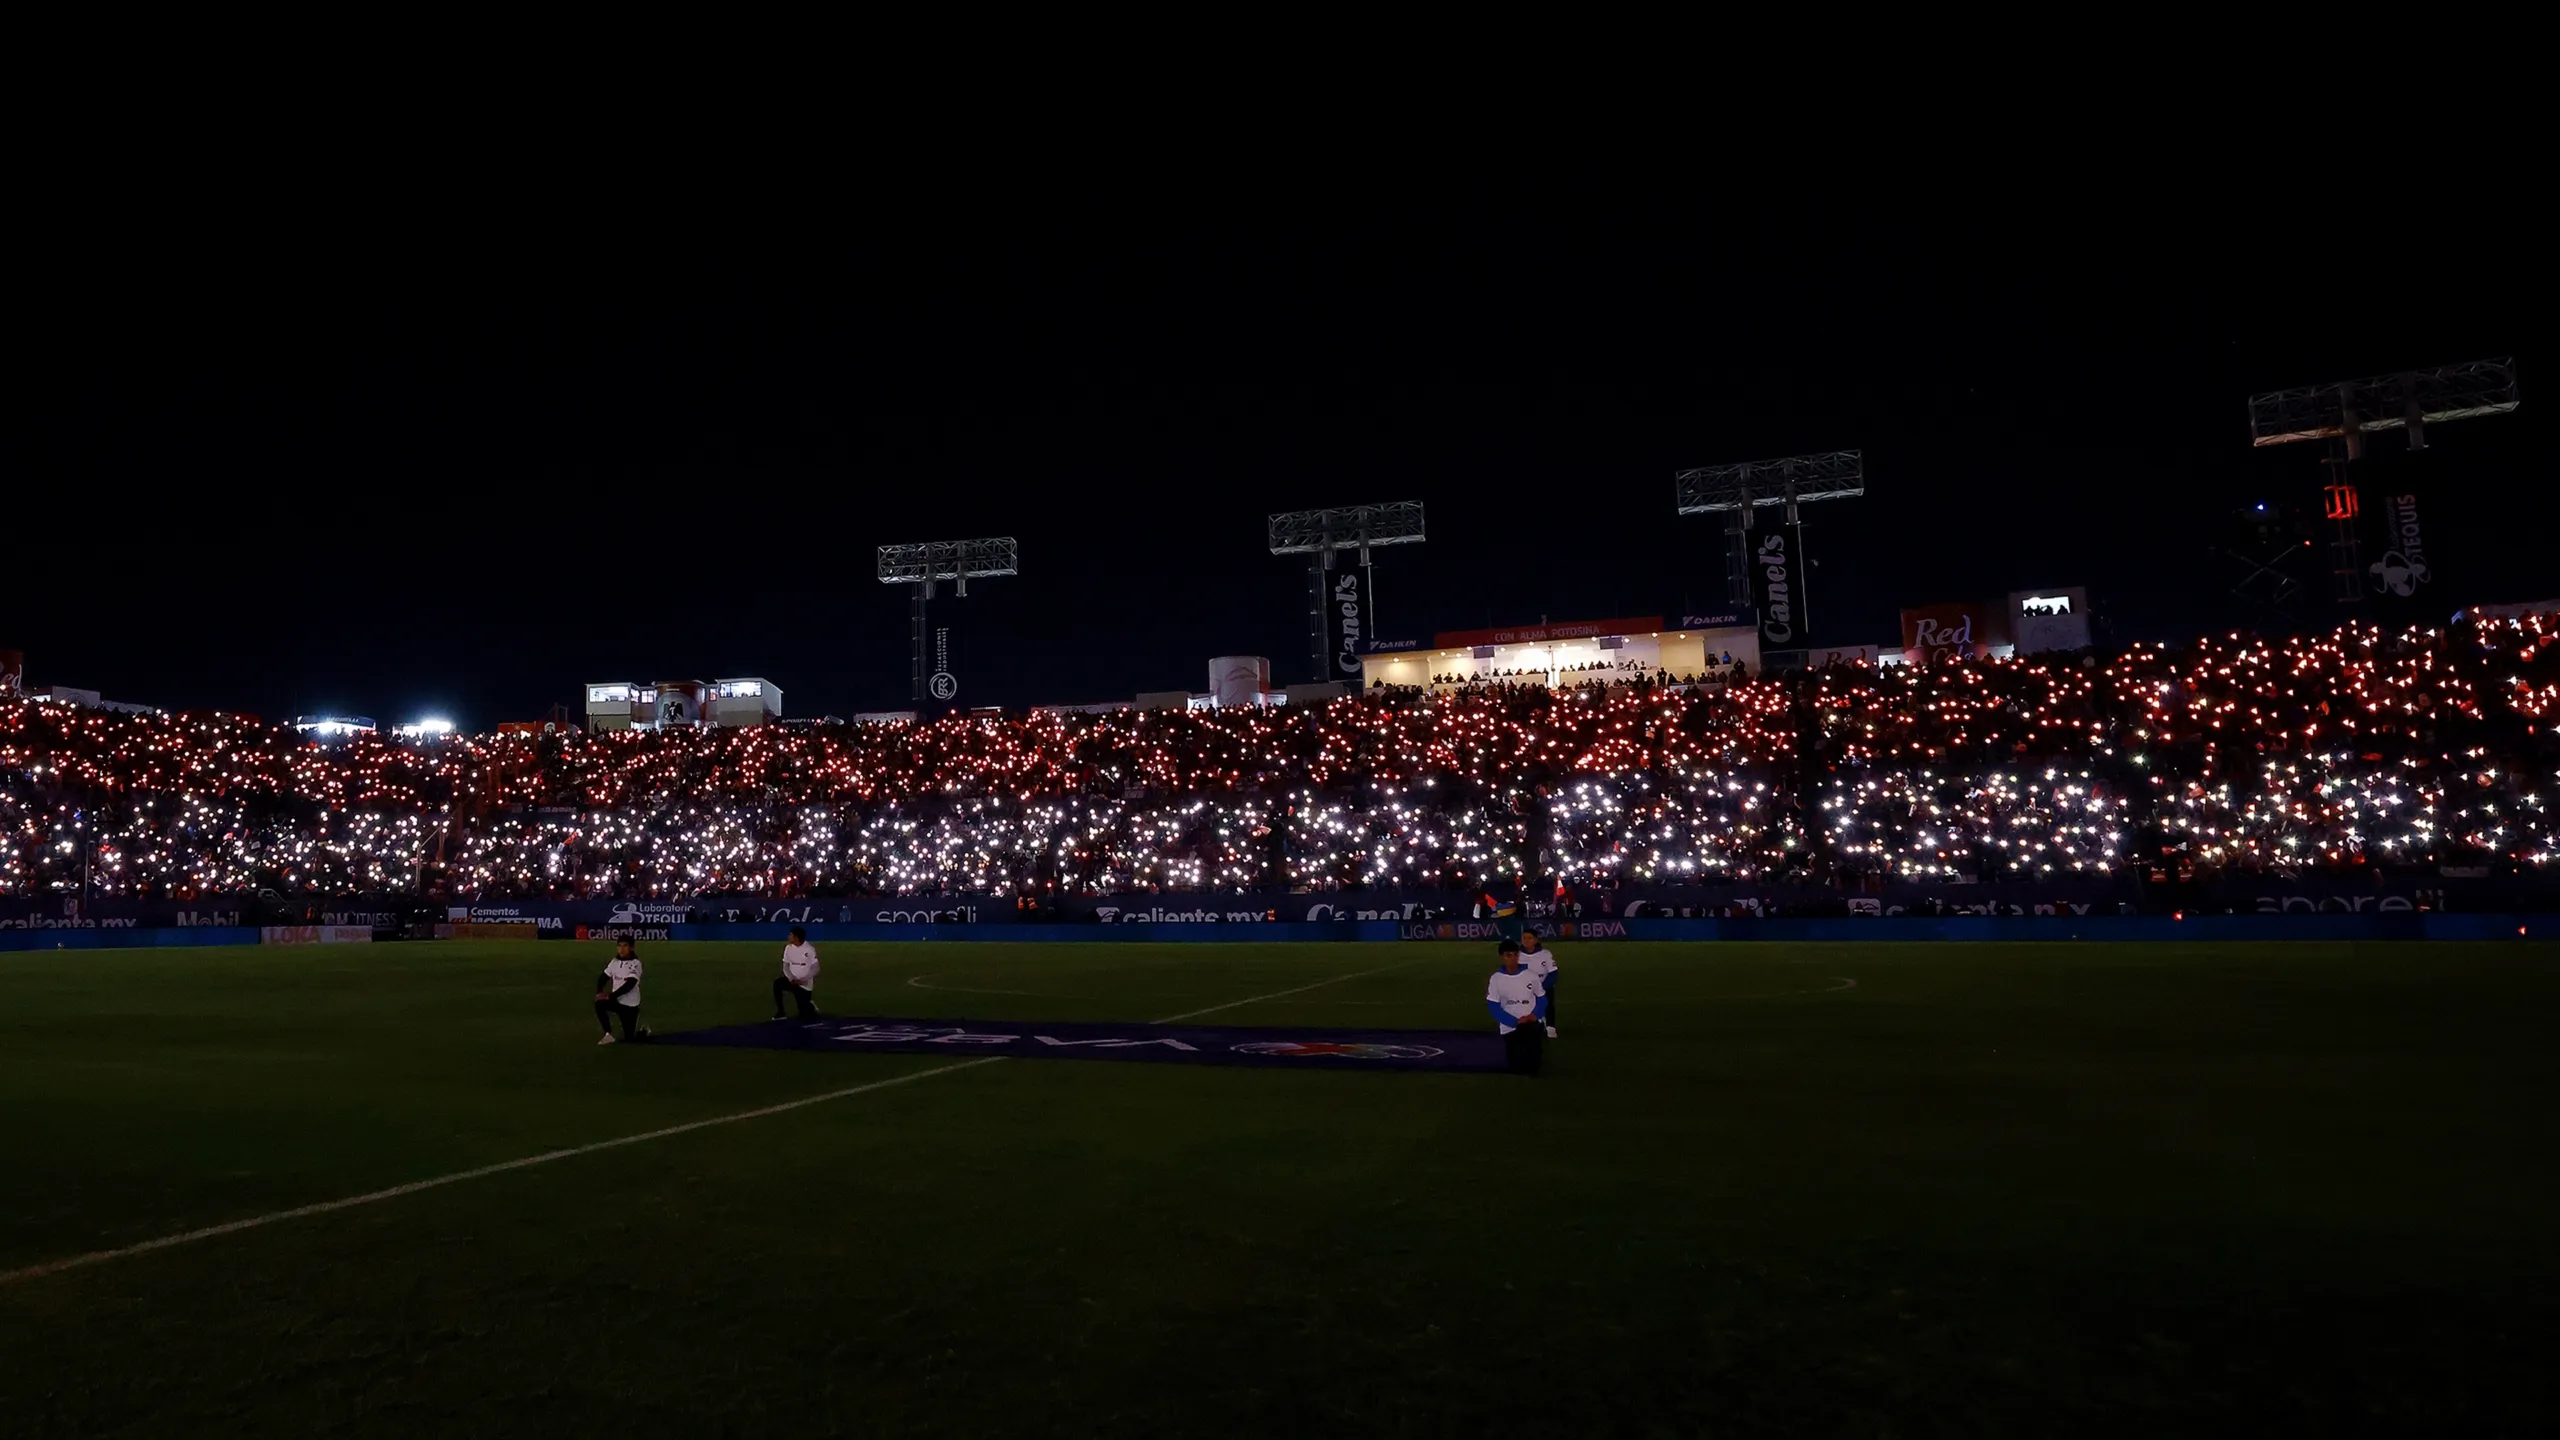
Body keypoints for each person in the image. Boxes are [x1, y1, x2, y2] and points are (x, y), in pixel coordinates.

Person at [1486, 940, 1547, 1076]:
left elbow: (1542, 999)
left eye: (1515, 955)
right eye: (1508, 955)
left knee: (1533, 1066)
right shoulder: (1496, 979)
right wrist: (1514, 1022)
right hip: (1511, 1027)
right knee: (1516, 1067)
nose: (1512, 959)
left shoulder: (1531, 975)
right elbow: (1493, 1006)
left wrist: (1534, 1015)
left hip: (1531, 1023)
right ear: (1502, 957)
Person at [594, 936, 649, 1045]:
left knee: (629, 1039)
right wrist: (599, 992)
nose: (621, 949)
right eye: (619, 946)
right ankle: (608, 1034)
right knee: (599, 1004)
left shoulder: (636, 963)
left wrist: (611, 996)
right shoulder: (614, 962)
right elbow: (604, 977)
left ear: (631, 948)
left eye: (625, 946)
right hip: (616, 1001)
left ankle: (643, 1032)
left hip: (630, 1005)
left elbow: (630, 984)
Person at [772, 926, 821, 1020]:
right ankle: (781, 1011)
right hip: (792, 981)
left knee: (805, 1014)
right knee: (777, 983)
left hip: (804, 984)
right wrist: (791, 978)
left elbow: (816, 967)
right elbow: (785, 965)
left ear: (796, 937)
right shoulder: (788, 948)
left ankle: (810, 1005)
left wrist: (804, 979)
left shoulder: (809, 949)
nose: (788, 937)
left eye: (790, 935)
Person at [1520, 928, 1559, 1038]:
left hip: (1543, 986)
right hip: (1524, 988)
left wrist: (1543, 987)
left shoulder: (1545, 954)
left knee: (1548, 1002)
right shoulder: (1517, 955)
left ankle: (1550, 1027)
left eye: (1529, 938)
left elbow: (1553, 972)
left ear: (1536, 940)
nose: (1526, 941)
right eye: (1524, 938)